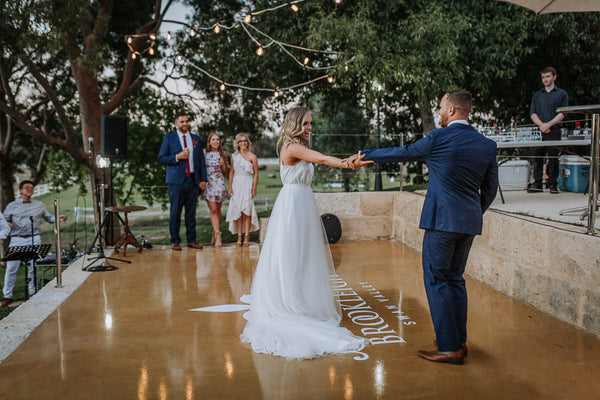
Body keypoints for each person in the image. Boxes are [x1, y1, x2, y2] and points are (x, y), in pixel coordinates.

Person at [349, 90, 498, 365]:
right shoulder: (487, 145)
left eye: (441, 107)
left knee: (437, 280)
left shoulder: (439, 138)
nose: (439, 112)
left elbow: (403, 153)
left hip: (441, 223)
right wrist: (471, 212)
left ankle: (449, 347)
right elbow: (490, 189)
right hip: (468, 223)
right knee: (455, 280)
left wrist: (364, 155)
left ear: (452, 111)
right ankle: (459, 341)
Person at [240, 106, 371, 359]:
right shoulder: (292, 147)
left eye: (311, 123)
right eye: (307, 123)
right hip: (292, 207)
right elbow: (320, 158)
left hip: (302, 203)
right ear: (295, 124)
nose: (310, 127)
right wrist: (346, 163)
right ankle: (290, 302)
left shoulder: (296, 146)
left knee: (304, 256)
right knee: (292, 255)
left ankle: (300, 298)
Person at [1, 181, 68, 307]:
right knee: (11, 268)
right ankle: (7, 296)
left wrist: (58, 218)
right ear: (20, 190)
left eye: (31, 188)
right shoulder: (12, 205)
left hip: (35, 238)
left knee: (33, 267)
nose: (29, 190)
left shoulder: (39, 204)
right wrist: (7, 224)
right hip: (17, 238)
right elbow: (4, 220)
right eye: (27, 188)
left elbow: (49, 218)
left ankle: (33, 292)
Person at [158, 111, 208, 250]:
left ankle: (192, 240)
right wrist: (177, 157)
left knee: (191, 212)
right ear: (176, 123)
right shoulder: (169, 138)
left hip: (192, 181)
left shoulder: (195, 139)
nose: (185, 124)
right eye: (182, 121)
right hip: (176, 182)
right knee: (175, 211)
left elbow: (201, 161)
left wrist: (203, 179)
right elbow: (161, 158)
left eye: (186, 121)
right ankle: (175, 241)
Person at [528, 66, 569, 194]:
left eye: (548, 76)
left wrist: (549, 124)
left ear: (554, 77)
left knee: (553, 158)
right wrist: (541, 125)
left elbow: (563, 113)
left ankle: (552, 185)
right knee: (537, 157)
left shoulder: (562, 94)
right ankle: (538, 184)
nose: (545, 79)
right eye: (543, 77)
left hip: (555, 130)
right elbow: (533, 113)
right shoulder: (537, 95)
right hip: (540, 130)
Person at [226, 133, 259, 247]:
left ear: (248, 142)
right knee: (238, 211)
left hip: (247, 184)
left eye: (245, 140)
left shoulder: (252, 157)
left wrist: (254, 188)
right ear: (237, 144)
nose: (243, 143)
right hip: (236, 184)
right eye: (241, 141)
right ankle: (239, 236)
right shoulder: (234, 157)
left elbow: (256, 174)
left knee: (247, 210)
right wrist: (230, 187)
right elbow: (231, 172)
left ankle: (247, 236)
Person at [201, 132, 230, 248]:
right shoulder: (204, 153)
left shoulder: (223, 154)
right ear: (209, 142)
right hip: (209, 184)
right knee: (213, 210)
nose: (215, 141)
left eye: (217, 139)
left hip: (219, 184)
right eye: (213, 139)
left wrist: (223, 165)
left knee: (218, 211)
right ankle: (218, 236)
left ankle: (214, 232)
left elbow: (227, 173)